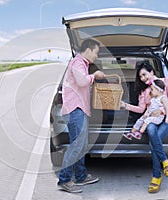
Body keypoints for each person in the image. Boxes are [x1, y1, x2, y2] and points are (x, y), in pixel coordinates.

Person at [121, 61, 168, 193]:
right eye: (140, 77)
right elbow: (142, 109)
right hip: (152, 119)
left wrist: (162, 111)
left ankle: (156, 176)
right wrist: (125, 106)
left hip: (167, 118)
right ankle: (164, 161)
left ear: (152, 72)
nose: (143, 78)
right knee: (151, 130)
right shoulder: (144, 91)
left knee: (153, 143)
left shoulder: (165, 81)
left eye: (144, 74)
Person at [57, 38, 105, 193]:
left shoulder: (82, 64)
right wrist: (95, 75)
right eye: (96, 53)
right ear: (88, 50)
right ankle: (64, 180)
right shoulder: (78, 62)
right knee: (77, 145)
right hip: (75, 109)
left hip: (80, 109)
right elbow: (82, 81)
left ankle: (81, 176)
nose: (96, 56)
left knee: (81, 145)